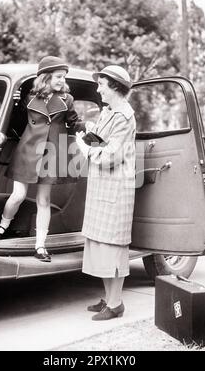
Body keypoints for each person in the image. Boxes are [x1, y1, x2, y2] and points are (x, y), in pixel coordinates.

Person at [0, 56, 85, 262]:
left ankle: (40, 246)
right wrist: (11, 110)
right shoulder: (29, 98)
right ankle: (2, 226)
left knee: (44, 200)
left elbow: (74, 123)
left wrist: (93, 132)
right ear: (46, 77)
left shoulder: (67, 100)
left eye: (63, 77)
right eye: (58, 76)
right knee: (17, 195)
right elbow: (15, 123)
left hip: (51, 152)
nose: (62, 80)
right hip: (28, 150)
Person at [76, 65, 136, 321]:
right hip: (102, 184)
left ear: (114, 87)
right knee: (100, 242)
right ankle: (109, 299)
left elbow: (111, 156)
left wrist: (84, 147)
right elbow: (104, 143)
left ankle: (116, 304)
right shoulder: (109, 111)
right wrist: (90, 136)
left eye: (101, 84)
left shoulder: (124, 116)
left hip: (116, 186)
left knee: (113, 245)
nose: (98, 88)